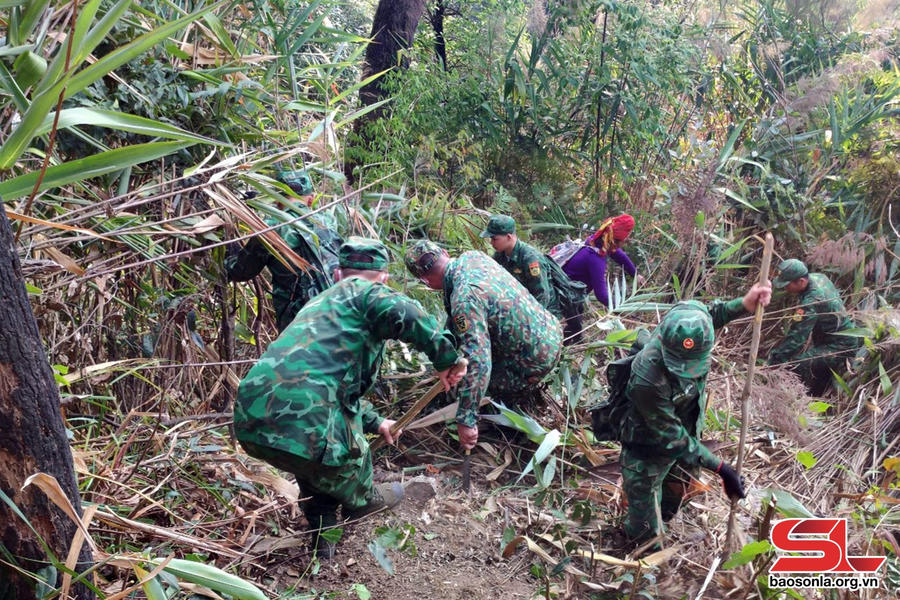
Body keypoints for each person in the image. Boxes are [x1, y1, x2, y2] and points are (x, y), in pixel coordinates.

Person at [234, 237, 467, 559]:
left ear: (337, 274)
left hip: (250, 417)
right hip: (305, 418)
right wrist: (446, 360)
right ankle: (373, 500)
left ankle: (322, 541)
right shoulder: (367, 292)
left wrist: (375, 421)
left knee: (316, 465)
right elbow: (408, 313)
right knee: (347, 465)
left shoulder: (321, 304)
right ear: (384, 277)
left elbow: (330, 383)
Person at [615, 282, 771, 547]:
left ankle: (664, 516)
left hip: (686, 430)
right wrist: (722, 469)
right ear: (664, 342)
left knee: (675, 495)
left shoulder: (690, 318)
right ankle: (635, 546)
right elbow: (673, 439)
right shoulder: (646, 380)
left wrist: (745, 303)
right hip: (648, 445)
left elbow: (711, 316)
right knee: (645, 534)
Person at [405, 240, 563, 451]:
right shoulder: (473, 257)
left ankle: (505, 427)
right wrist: (444, 358)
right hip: (551, 332)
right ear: (444, 252)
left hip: (534, 361)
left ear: (425, 281)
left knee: (462, 385)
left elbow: (479, 361)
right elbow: (454, 327)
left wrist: (466, 419)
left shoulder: (464, 297)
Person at [225, 170, 343, 332]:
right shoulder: (328, 222)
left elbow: (240, 271)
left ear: (276, 199)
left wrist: (229, 249)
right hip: (337, 317)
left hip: (298, 326)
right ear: (311, 199)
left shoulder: (271, 229)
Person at [481, 214, 588, 343]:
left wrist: (531, 323)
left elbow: (542, 295)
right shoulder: (500, 255)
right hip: (520, 306)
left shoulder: (530, 258)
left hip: (544, 313)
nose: (491, 243)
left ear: (508, 237)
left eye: (494, 238)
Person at [768, 259, 860, 396]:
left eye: (787, 285)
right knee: (819, 375)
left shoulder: (812, 300)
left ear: (801, 281)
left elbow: (798, 337)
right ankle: (815, 398)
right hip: (829, 339)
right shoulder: (818, 277)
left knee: (796, 366)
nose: (785, 288)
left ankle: (795, 398)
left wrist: (776, 360)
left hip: (841, 345)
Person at [559, 213, 644, 308]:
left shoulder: (596, 241)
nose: (626, 241)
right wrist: (623, 308)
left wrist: (636, 275)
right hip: (563, 297)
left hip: (566, 288)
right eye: (625, 239)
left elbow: (620, 256)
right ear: (615, 241)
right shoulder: (595, 259)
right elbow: (601, 296)